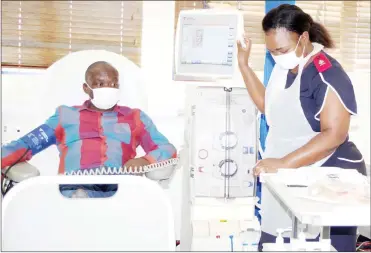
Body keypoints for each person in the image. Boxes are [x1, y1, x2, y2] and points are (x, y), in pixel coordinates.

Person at [237, 4, 366, 252]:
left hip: (329, 176)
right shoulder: (284, 67)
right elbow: (269, 107)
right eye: (272, 51)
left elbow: (335, 134)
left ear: (303, 37)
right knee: (276, 242)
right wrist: (243, 65)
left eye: (282, 49)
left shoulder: (326, 73)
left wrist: (284, 162)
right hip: (290, 174)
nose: (277, 55)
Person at [1, 61, 177, 198]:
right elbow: (26, 144)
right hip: (72, 192)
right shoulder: (65, 116)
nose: (109, 88)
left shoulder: (136, 117)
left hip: (121, 192)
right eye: (101, 84)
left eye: (114, 84)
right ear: (86, 88)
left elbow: (167, 149)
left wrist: (145, 161)